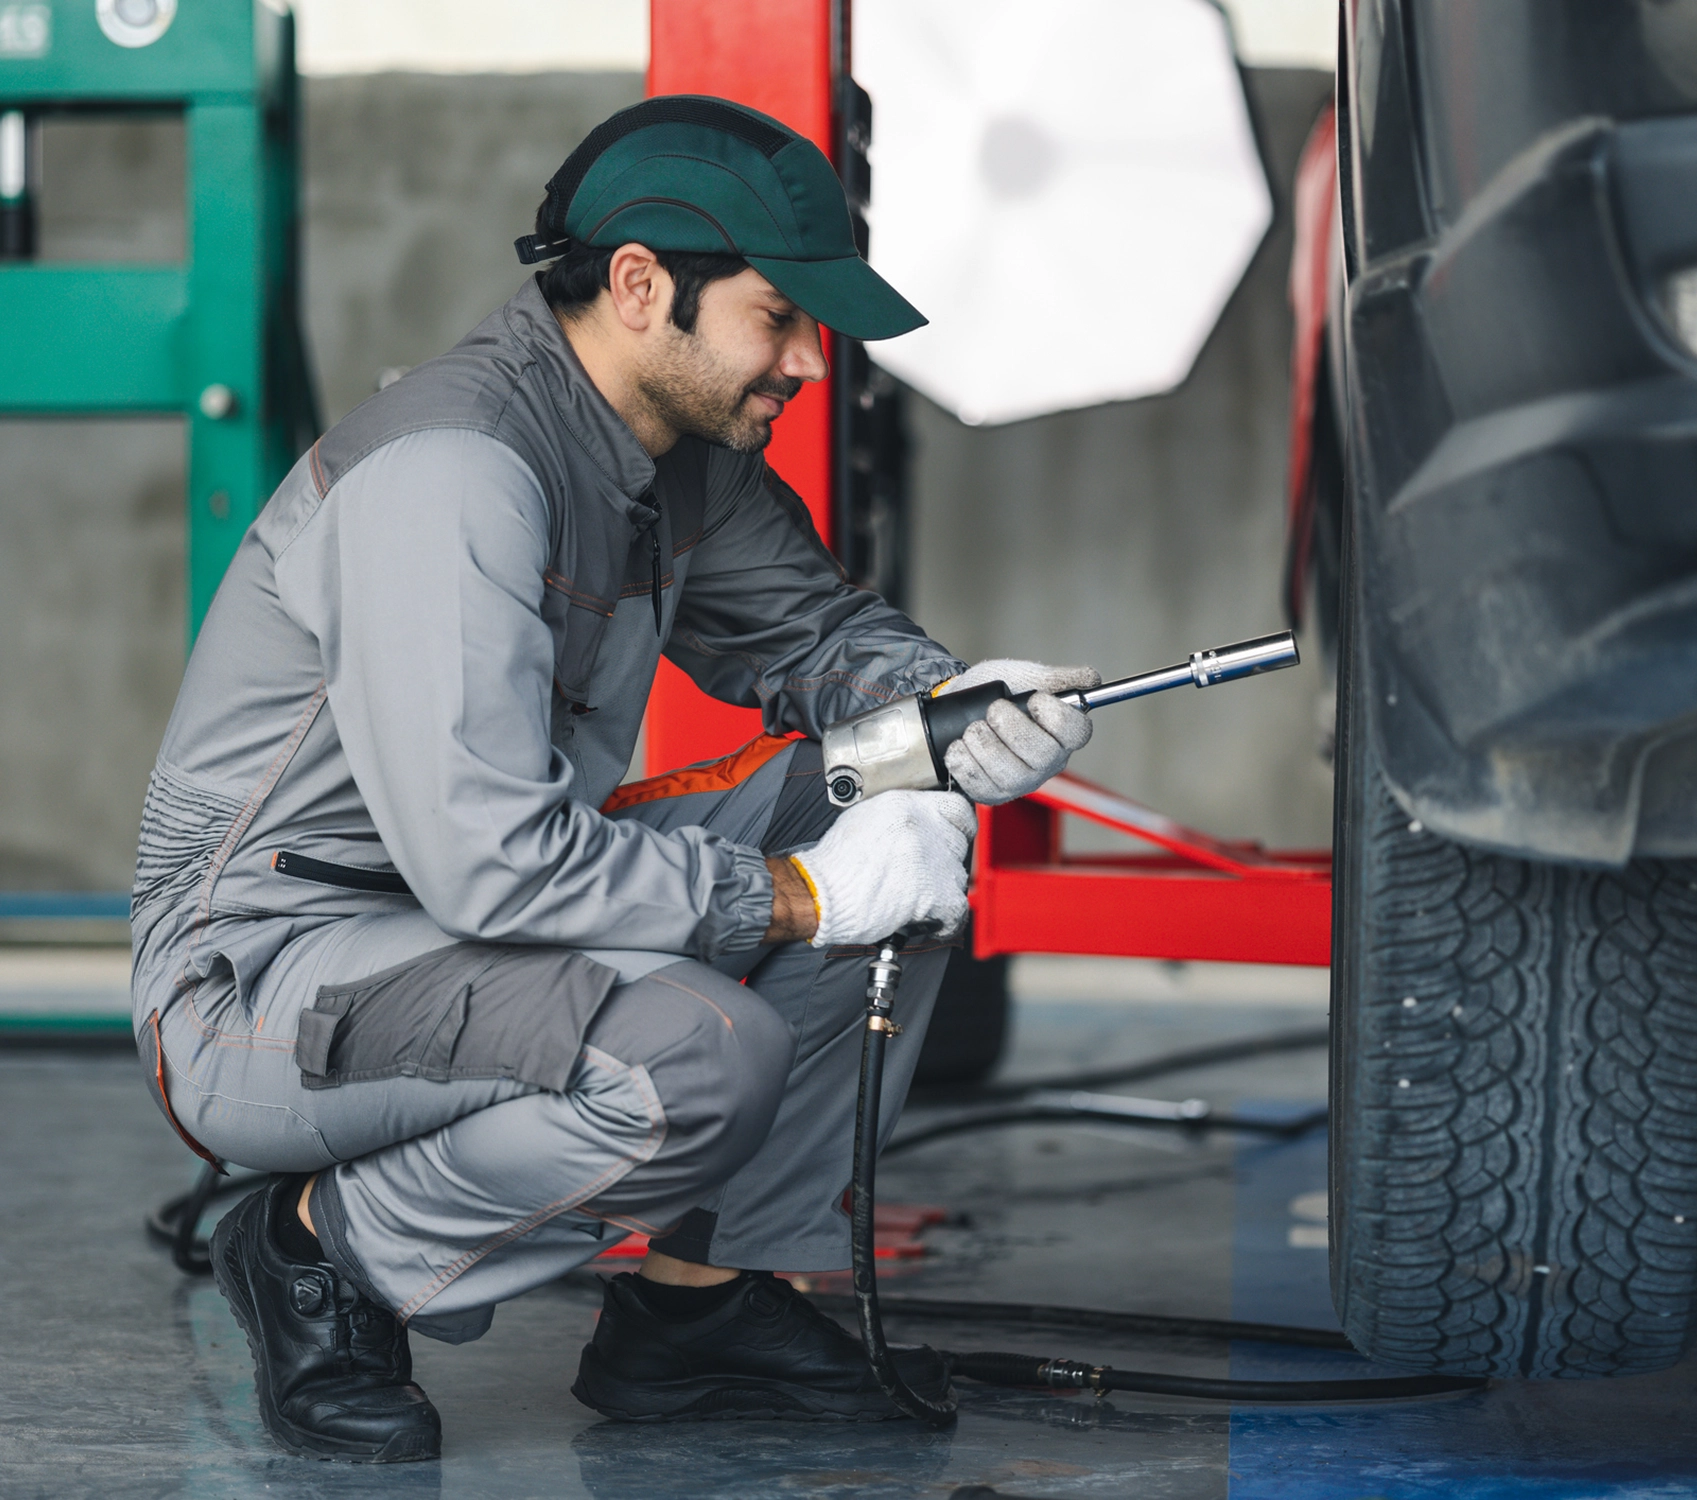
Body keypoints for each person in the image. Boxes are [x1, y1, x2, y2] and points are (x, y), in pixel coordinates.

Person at [129, 95, 1098, 1463]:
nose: (811, 362)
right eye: (780, 315)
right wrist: (802, 898)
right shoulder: (454, 474)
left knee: (884, 795)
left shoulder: (667, 457)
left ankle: (697, 1312)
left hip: (460, 923)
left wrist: (946, 713)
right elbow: (489, 858)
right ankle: (320, 1247)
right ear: (643, 286)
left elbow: (819, 639)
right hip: (263, 975)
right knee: (698, 1057)